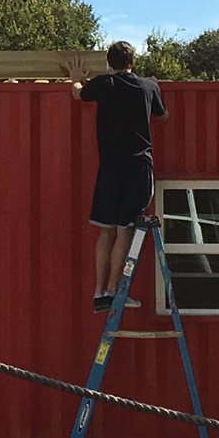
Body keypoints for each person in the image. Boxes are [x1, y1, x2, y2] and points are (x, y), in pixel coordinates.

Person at [67, 42, 169, 313]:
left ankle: (100, 292)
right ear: (132, 62)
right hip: (137, 169)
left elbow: (78, 94)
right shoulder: (148, 87)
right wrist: (154, 87)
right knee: (125, 230)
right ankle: (114, 292)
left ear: (109, 63)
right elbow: (164, 115)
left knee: (106, 229)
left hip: (110, 169)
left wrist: (77, 79)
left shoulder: (104, 84)